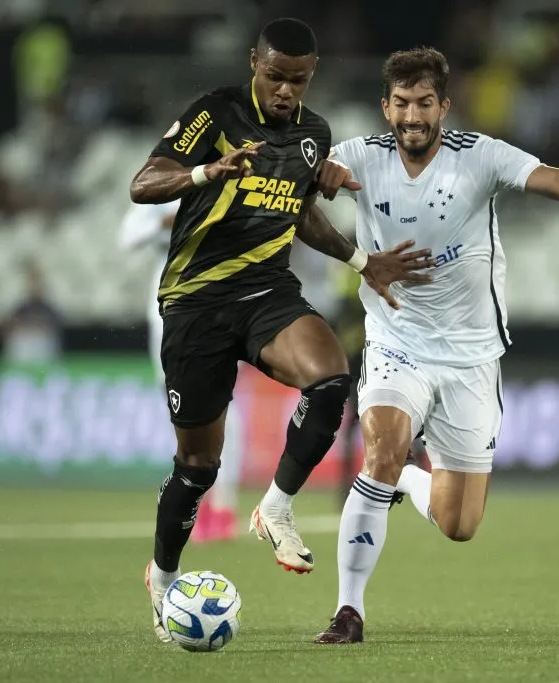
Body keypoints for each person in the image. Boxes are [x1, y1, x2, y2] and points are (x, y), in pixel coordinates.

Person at [311, 47, 559, 644]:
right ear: (384, 106)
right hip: (396, 341)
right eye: (400, 103)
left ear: (444, 106)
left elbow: (558, 180)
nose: (412, 115)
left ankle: (406, 482)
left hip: (472, 357)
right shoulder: (357, 158)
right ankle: (349, 611)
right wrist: (324, 195)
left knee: (459, 523)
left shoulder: (481, 157)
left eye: (424, 103)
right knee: (382, 448)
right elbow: (297, 192)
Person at [130, 19, 435, 643]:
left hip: (267, 292)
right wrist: (204, 174)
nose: (286, 91)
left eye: (298, 80)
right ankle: (162, 577)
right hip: (195, 303)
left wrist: (360, 263)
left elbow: (300, 216)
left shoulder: (311, 136)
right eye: (276, 77)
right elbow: (142, 186)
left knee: (330, 380)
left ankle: (276, 506)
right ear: (253, 64)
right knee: (198, 466)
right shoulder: (214, 115)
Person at [119, 199, 243, 542]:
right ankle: (197, 503)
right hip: (166, 313)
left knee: (224, 411)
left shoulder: (224, 182)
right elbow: (127, 236)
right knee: (180, 414)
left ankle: (224, 506)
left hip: (217, 308)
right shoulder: (161, 189)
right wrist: (162, 224)